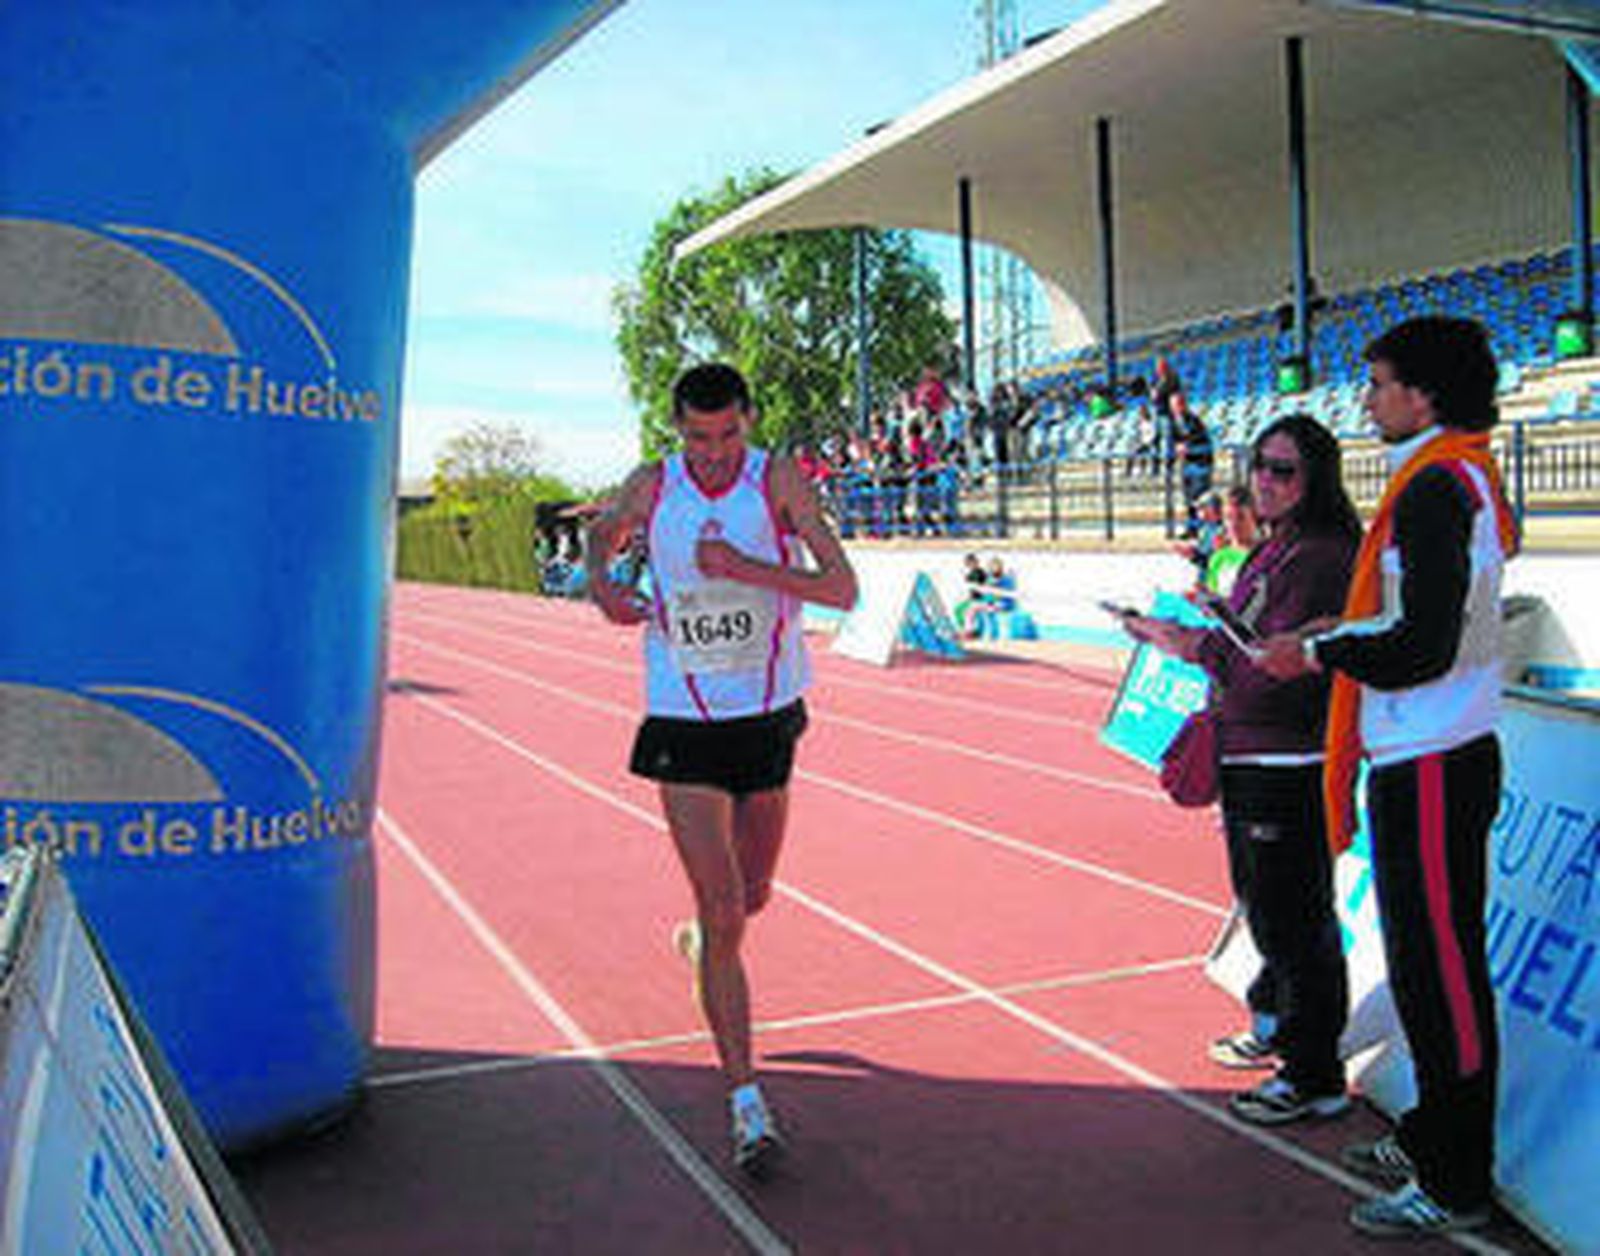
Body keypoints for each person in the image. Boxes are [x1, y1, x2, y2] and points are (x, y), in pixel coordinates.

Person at [1258, 317, 1518, 1239]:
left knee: (1440, 970)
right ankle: (1435, 1135)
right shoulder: (1456, 479)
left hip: (1435, 759)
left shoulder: (1436, 491)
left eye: (1376, 385)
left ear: (1423, 394)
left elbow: (1425, 642)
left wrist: (1321, 647)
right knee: (1422, 964)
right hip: (1429, 752)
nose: (1365, 401)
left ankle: (1455, 1178)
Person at [585, 362, 858, 1176]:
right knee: (722, 899)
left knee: (751, 898)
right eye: (698, 440)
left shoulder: (776, 482)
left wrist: (748, 570)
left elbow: (842, 587)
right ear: (677, 431)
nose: (712, 456)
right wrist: (604, 582)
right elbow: (604, 537)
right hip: (683, 718)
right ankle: (747, 1104)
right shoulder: (649, 485)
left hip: (767, 715)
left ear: (748, 422)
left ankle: (705, 942)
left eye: (727, 436)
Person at [1122, 413, 1360, 1129]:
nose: (1264, 480)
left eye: (1283, 470)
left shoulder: (1321, 555)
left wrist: (1195, 646)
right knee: (1271, 911)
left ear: (1315, 479)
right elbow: (1251, 641)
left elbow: (1271, 671)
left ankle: (1313, 1072)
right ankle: (1291, 1042)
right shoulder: (1275, 549)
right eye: (1260, 466)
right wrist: (1196, 630)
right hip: (1253, 751)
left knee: (1293, 919)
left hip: (1288, 756)